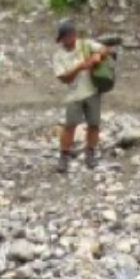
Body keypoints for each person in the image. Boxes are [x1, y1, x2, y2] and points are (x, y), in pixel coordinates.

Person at [53, 19, 113, 174]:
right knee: (70, 126)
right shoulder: (58, 56)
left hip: (92, 90)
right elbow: (63, 78)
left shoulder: (85, 45)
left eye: (68, 36)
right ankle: (64, 155)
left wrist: (98, 56)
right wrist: (79, 67)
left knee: (94, 124)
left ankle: (90, 152)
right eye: (64, 38)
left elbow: (105, 49)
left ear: (73, 35)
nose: (66, 41)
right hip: (74, 94)